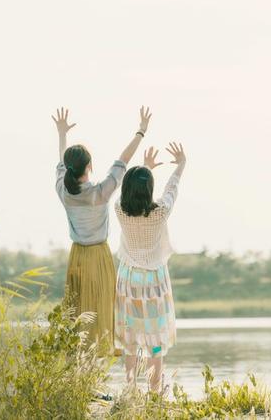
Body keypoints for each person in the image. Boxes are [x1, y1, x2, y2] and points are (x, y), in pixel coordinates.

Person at [53, 105, 152, 356]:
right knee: (102, 308)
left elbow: (61, 164)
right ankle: (97, 371)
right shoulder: (101, 192)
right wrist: (140, 132)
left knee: (78, 312)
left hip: (77, 256)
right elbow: (123, 160)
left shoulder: (63, 191)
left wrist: (62, 134)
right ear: (89, 167)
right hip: (99, 256)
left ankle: (79, 371)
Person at [113, 142, 186, 392]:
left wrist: (145, 167)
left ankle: (131, 388)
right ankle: (155, 391)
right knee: (155, 338)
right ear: (148, 190)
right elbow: (170, 190)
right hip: (153, 280)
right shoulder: (160, 213)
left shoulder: (119, 210)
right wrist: (181, 165)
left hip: (128, 278)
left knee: (130, 337)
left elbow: (135, 191)